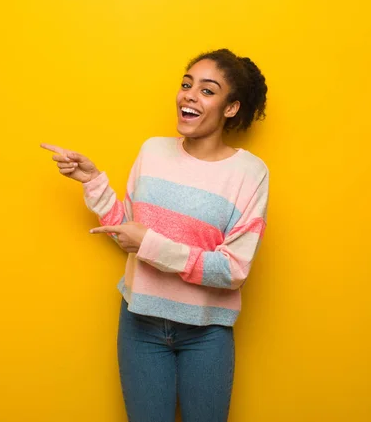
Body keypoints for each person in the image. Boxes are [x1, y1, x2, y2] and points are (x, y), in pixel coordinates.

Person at [41, 48, 269, 422]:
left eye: (208, 90)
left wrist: (150, 244)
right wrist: (94, 182)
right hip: (139, 323)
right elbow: (129, 233)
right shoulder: (153, 151)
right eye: (186, 84)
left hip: (206, 333)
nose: (190, 95)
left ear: (231, 108)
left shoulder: (249, 173)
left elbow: (234, 270)